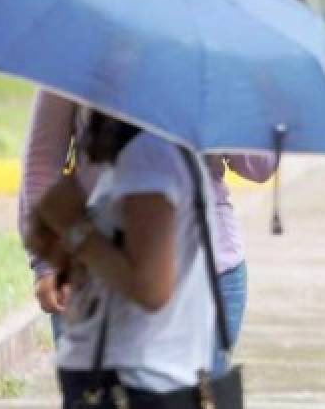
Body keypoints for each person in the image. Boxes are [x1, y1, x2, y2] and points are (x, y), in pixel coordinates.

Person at [18, 90, 276, 375]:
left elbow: (259, 165)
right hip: (92, 273)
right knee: (99, 396)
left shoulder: (216, 68)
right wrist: (46, 266)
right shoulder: (76, 55)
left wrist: (221, 104)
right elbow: (42, 164)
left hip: (206, 272)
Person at [26, 110, 215, 405]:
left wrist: (73, 227)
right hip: (136, 375)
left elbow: (151, 288)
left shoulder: (150, 155)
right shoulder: (152, 152)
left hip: (130, 382)